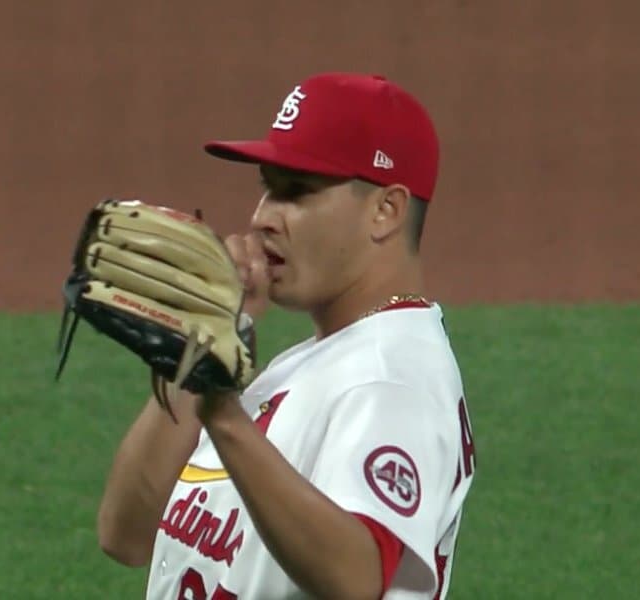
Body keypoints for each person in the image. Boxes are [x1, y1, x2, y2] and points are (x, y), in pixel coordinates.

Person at [95, 72, 477, 599]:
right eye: (267, 188)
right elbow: (125, 534)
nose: (262, 219)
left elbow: (357, 579)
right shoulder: (311, 363)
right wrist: (199, 353)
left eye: (296, 192)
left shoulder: (389, 378)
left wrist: (224, 416)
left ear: (385, 211)